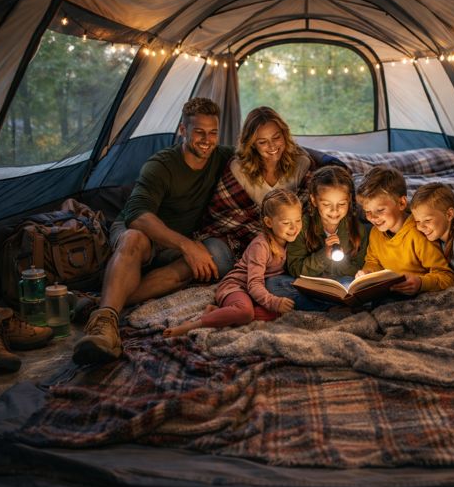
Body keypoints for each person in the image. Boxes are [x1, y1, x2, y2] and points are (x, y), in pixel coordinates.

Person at [73, 98, 235, 365]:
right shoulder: (161, 164)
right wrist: (187, 245)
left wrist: (320, 160)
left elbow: (263, 152)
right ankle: (104, 327)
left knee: (205, 262)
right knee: (135, 238)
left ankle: (100, 304)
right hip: (142, 233)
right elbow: (137, 216)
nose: (207, 139)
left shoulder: (222, 158)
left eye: (213, 132)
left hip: (172, 247)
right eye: (198, 131)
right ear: (183, 130)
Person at [163, 189, 302, 337]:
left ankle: (218, 313)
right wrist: (274, 302)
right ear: (269, 222)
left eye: (298, 220)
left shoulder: (291, 242)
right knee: (246, 313)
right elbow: (254, 284)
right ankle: (192, 325)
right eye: (286, 222)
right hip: (237, 286)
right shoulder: (261, 246)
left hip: (256, 293)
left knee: (277, 313)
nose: (294, 228)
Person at [194, 106, 313, 261]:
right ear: (252, 144)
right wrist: (267, 238)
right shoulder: (239, 167)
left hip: (292, 236)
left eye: (276, 137)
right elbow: (225, 214)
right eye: (262, 142)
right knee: (215, 257)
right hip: (244, 239)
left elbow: (309, 209)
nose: (272, 147)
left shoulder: (301, 163)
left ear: (284, 134)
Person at [266, 165, 370, 310]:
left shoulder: (357, 229)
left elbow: (358, 268)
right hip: (311, 285)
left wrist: (334, 272)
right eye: (326, 204)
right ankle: (328, 308)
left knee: (353, 285)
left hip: (341, 283)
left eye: (341, 204)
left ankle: (328, 307)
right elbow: (295, 268)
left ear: (349, 200)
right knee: (274, 283)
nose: (334, 210)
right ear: (314, 201)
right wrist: (323, 256)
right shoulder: (302, 226)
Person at [355, 166, 454, 296]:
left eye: (380, 210)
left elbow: (448, 277)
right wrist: (368, 273)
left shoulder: (418, 234)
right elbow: (373, 261)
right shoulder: (376, 233)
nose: (373, 218)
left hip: (418, 295)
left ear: (402, 203)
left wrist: (420, 283)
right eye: (367, 212)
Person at [411, 183, 454, 314]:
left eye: (427, 220)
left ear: (449, 214)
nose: (420, 227)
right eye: (417, 221)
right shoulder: (437, 240)